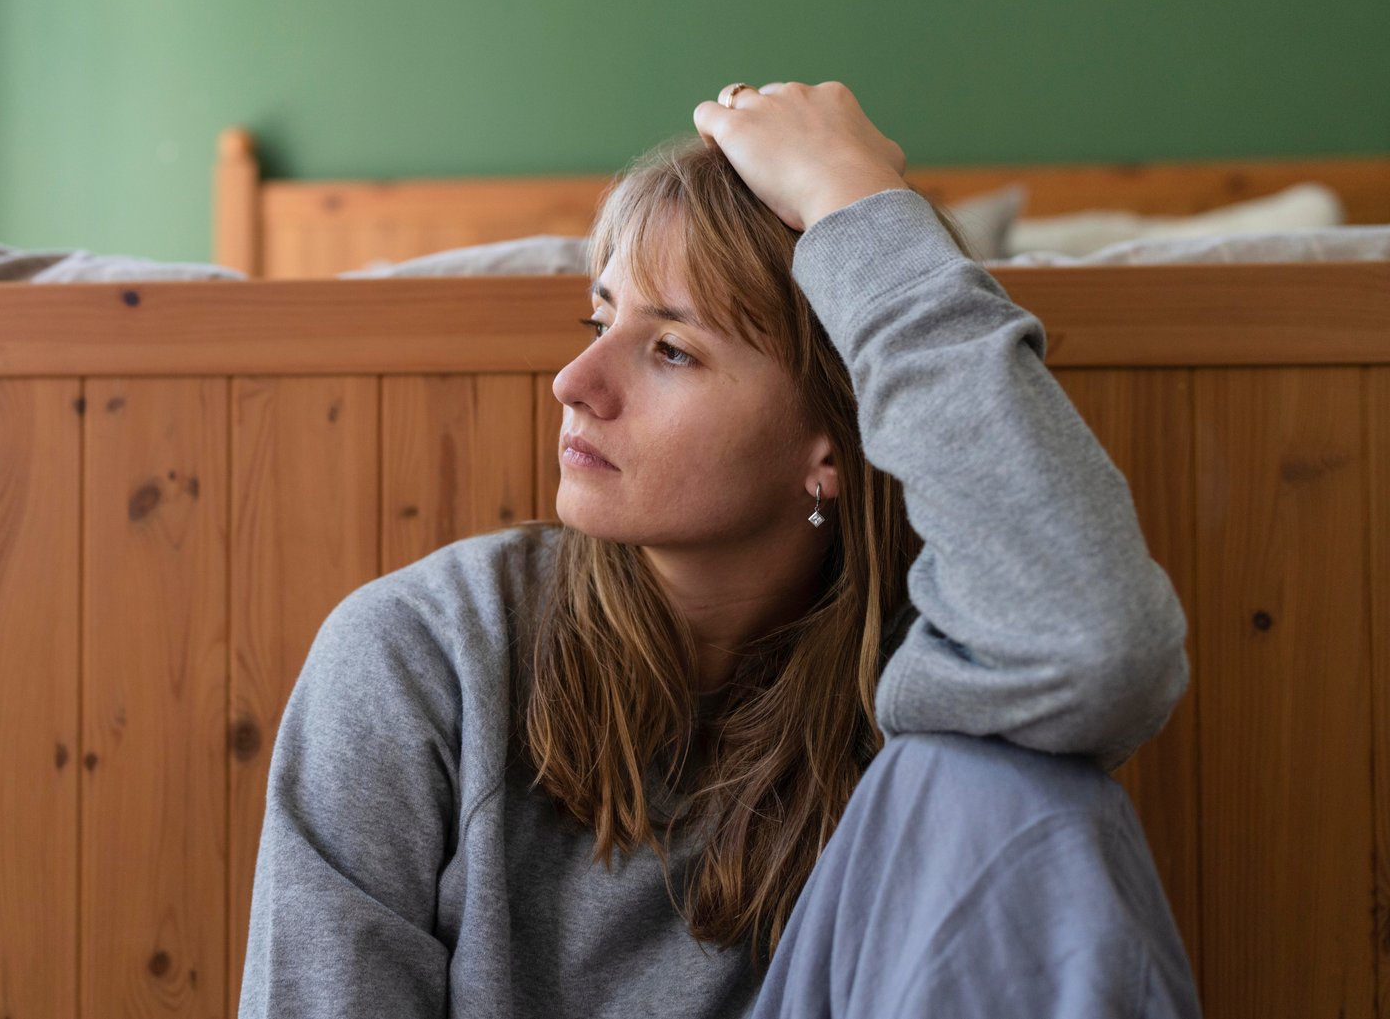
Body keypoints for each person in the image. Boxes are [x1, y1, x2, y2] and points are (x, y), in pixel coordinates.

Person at [236, 81, 1200, 1017]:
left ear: (833, 442)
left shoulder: (939, 662)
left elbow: (1098, 645)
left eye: (672, 351)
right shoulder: (424, 656)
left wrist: (855, 203)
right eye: (600, 318)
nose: (575, 380)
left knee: (1013, 787)